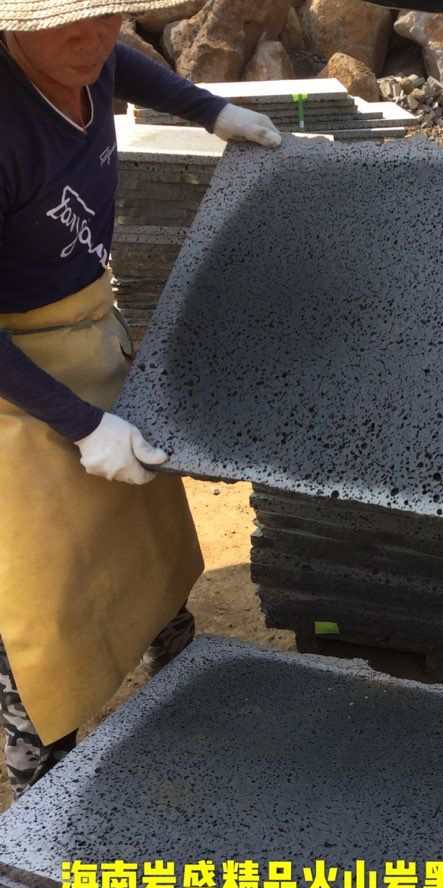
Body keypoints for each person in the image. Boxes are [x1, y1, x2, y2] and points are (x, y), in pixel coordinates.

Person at [0, 1, 283, 800]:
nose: (92, 39)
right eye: (69, 25)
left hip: (89, 328)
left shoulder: (87, 57)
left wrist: (209, 110)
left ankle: (179, 665)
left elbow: (121, 63)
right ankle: (40, 780)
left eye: (108, 17)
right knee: (40, 597)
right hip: (17, 379)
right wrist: (82, 425)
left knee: (146, 530)